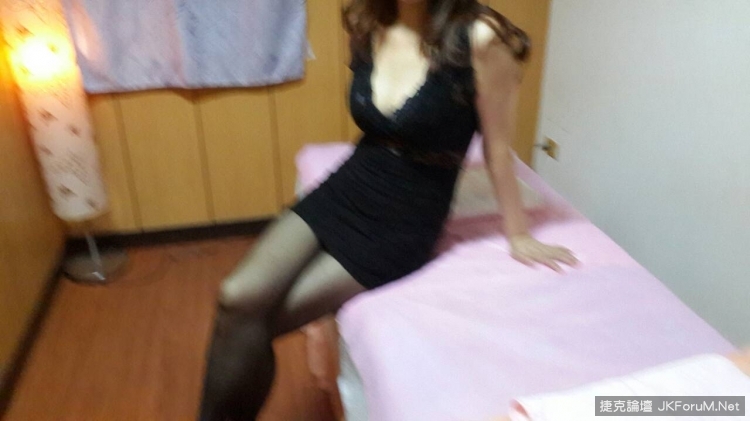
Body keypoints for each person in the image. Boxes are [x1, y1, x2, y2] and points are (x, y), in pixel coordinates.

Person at [199, 0, 578, 419]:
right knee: (235, 297)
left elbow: (498, 148)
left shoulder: (481, 37)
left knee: (257, 323)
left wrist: (518, 234)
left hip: (405, 218)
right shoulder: (370, 21)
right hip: (350, 184)